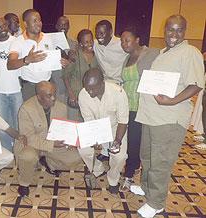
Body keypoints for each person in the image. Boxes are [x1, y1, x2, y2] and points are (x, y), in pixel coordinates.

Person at [131, 15, 204, 218]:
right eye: (170, 30)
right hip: (151, 116)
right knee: (147, 157)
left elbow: (196, 84)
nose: (173, 34)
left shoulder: (189, 52)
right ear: (164, 30)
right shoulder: (164, 52)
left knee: (160, 161)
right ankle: (147, 188)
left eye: (178, 30)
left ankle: (157, 203)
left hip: (169, 118)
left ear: (185, 31)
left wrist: (172, 101)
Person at [13, 81, 82, 196]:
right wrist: (52, 145)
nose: (54, 98)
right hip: (31, 144)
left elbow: (63, 129)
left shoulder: (61, 107)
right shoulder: (26, 109)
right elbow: (28, 137)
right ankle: (24, 183)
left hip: (51, 144)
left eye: (54, 93)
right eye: (49, 95)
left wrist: (70, 141)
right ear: (39, 97)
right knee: (28, 157)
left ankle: (49, 162)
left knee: (75, 157)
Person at [117, 27, 159, 192]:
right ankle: (132, 168)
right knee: (129, 142)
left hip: (141, 107)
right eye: (122, 41)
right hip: (126, 106)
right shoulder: (127, 57)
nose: (123, 43)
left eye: (127, 40)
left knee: (135, 143)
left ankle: (128, 176)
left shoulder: (151, 54)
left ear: (137, 40)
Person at [78, 68, 129, 194]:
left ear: (102, 83)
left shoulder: (118, 92)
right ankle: (97, 168)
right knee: (83, 149)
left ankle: (113, 178)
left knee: (119, 155)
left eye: (92, 88)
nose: (89, 92)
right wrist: (94, 138)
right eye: (87, 88)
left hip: (115, 127)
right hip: (95, 126)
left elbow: (123, 121)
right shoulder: (83, 94)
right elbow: (88, 120)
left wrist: (117, 141)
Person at [7, 9, 68, 101]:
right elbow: (10, 65)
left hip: (48, 84)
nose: (38, 23)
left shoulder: (48, 38)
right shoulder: (18, 41)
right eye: (34, 21)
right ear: (26, 24)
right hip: (30, 88)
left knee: (48, 114)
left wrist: (62, 62)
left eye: (39, 20)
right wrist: (27, 60)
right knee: (31, 114)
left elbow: (53, 60)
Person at [0, 16, 23, 151]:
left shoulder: (16, 42)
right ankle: (6, 149)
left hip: (16, 89)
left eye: (4, 25)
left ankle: (18, 149)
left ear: (7, 25)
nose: (2, 29)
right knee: (3, 123)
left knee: (17, 121)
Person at [63, 29, 99, 121]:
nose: (90, 44)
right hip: (76, 96)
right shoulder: (75, 56)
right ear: (80, 44)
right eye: (86, 42)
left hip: (91, 97)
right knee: (74, 123)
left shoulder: (96, 55)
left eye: (91, 41)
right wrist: (71, 94)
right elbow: (65, 76)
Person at [52, 16, 77, 102]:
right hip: (54, 80)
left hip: (70, 81)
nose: (63, 27)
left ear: (69, 27)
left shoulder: (74, 44)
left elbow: (77, 62)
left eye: (65, 25)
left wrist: (69, 62)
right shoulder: (49, 43)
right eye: (60, 24)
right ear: (56, 26)